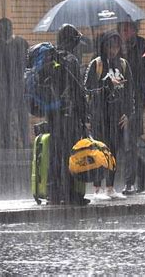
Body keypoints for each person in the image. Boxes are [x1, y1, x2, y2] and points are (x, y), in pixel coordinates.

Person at [84, 30, 134, 200]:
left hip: (117, 116)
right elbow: (87, 90)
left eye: (117, 46)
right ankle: (97, 188)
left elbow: (130, 92)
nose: (114, 50)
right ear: (104, 46)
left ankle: (110, 187)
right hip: (100, 115)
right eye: (110, 46)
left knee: (113, 151)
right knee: (99, 151)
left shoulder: (124, 65)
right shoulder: (96, 64)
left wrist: (128, 113)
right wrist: (106, 85)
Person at [47, 24, 89, 205]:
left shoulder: (51, 57)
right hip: (69, 115)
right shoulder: (71, 60)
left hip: (53, 114)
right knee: (72, 154)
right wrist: (84, 116)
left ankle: (54, 193)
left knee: (56, 153)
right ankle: (72, 193)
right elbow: (77, 91)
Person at [117, 21, 145, 195]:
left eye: (128, 29)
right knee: (123, 144)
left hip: (136, 103)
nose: (125, 32)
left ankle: (130, 182)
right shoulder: (115, 47)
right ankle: (142, 172)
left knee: (129, 143)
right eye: (122, 30)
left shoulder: (144, 49)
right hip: (117, 103)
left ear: (135, 30)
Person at [0, 18, 29, 148]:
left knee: (21, 116)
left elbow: (26, 65)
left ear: (7, 30)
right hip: (1, 88)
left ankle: (24, 143)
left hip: (18, 86)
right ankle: (7, 143)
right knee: (4, 117)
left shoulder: (21, 43)